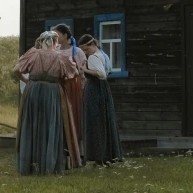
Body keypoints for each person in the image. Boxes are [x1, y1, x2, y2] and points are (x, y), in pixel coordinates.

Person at [12, 31, 82, 175]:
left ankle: (30, 166)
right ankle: (50, 166)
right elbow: (73, 74)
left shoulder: (33, 54)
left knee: (32, 124)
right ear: (55, 42)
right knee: (51, 124)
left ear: (41, 41)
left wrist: (27, 81)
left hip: (33, 91)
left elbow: (16, 70)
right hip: (52, 91)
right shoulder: (62, 57)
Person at [77, 34, 123, 166]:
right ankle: (107, 154)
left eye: (85, 49)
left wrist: (84, 69)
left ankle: (98, 155)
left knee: (95, 121)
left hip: (95, 89)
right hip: (104, 90)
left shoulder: (93, 57)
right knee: (104, 120)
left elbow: (101, 74)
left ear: (92, 45)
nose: (85, 53)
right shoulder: (104, 55)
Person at [51, 23, 86, 162]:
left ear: (65, 35)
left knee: (74, 116)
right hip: (59, 86)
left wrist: (82, 88)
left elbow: (82, 72)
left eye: (58, 34)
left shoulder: (77, 52)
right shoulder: (55, 51)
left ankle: (79, 152)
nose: (56, 37)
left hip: (73, 87)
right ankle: (62, 149)